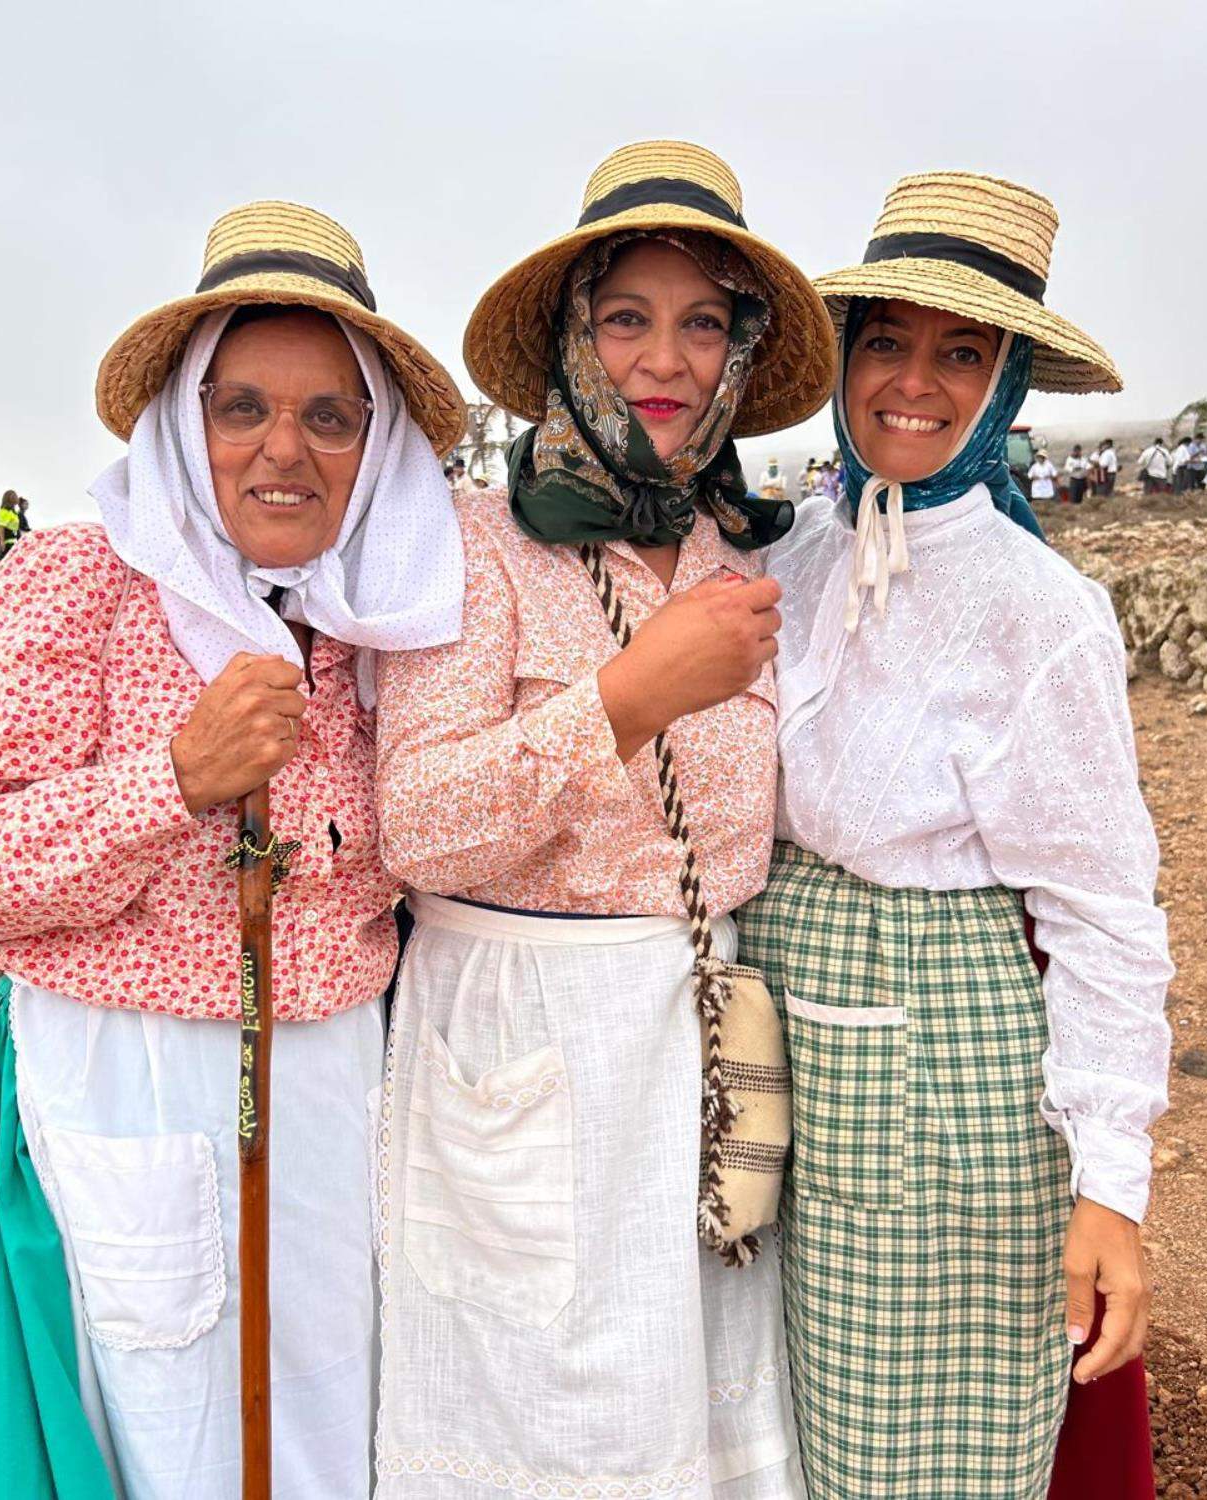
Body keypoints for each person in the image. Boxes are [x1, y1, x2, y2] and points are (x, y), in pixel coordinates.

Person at [0, 201, 469, 1499]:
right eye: (242, 407)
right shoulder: (83, 583)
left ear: (376, 444)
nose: (283, 450)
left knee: (341, 1443)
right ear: (184, 424)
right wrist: (174, 781)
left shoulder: (396, 611)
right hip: (131, 1094)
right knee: (174, 1447)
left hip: (345, 1105)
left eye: (330, 417)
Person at [371, 139, 834, 1498]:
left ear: (742, 355)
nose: (666, 360)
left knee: (692, 1419)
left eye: (703, 324)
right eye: (625, 318)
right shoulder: (474, 540)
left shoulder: (732, 550)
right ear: (573, 339)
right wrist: (629, 697)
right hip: (522, 1035)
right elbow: (418, 825)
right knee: (547, 1429)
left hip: (690, 1048)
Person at [757, 169, 1171, 1500]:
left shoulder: (1036, 608)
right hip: (790, 1039)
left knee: (910, 1458)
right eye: (886, 340)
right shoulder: (796, 552)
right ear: (842, 359)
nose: (914, 383)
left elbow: (1103, 904)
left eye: (961, 352)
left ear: (1005, 386)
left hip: (936, 1075)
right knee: (781, 1432)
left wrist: (1110, 1183)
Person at [0, 489, 23, 561]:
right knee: (4, 562)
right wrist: (2, 541)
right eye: (14, 496)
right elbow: (1, 527)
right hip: (7, 542)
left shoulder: (13, 512)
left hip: (14, 541)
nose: (17, 497)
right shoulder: (4, 511)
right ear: (9, 498)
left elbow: (16, 528)